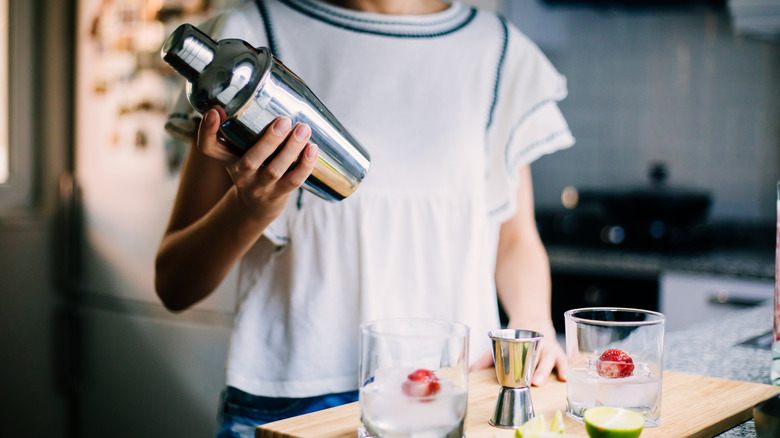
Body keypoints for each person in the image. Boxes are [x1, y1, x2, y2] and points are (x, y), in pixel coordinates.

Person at [155, 0, 575, 436]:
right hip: (292, 408)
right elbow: (174, 285)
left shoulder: (500, 51)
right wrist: (250, 208)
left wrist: (533, 322)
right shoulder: (240, 48)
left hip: (452, 394)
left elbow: (513, 237)